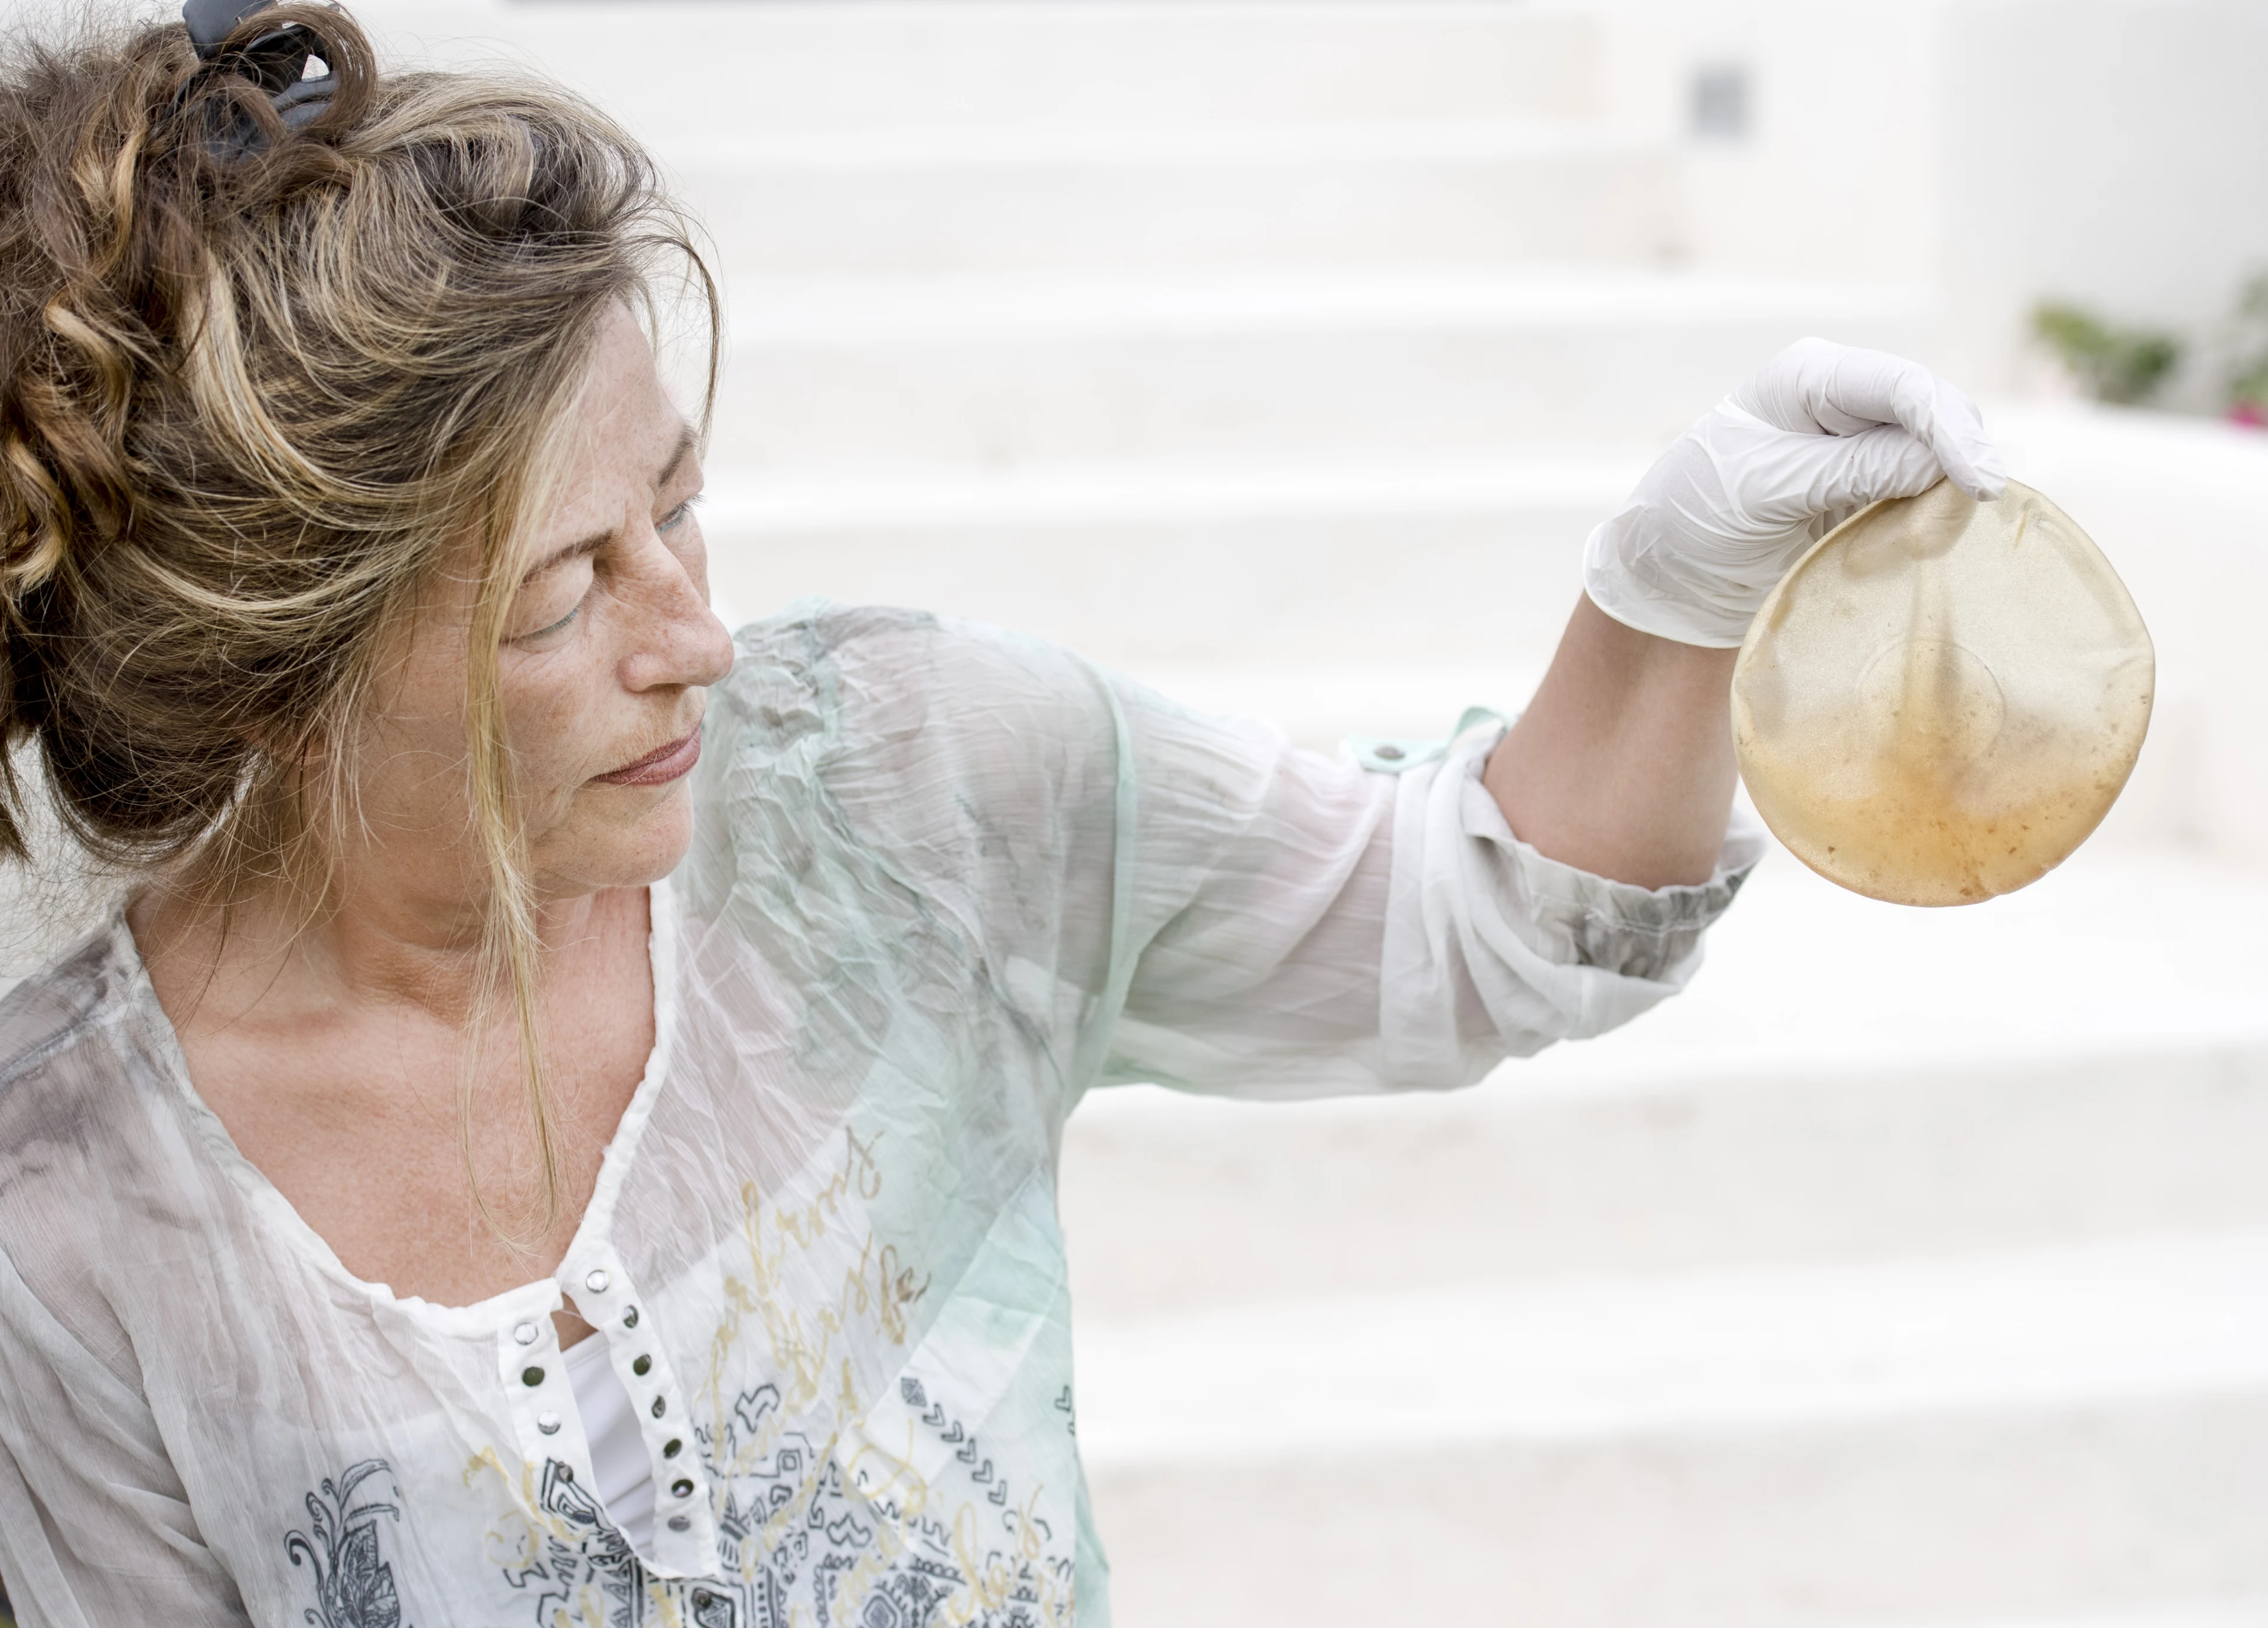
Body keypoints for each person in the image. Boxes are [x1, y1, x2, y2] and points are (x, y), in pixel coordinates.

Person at [0, 4, 2003, 1624]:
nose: (695, 634)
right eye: (559, 595)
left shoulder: (908, 786)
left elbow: (1477, 923)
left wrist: (1667, 597)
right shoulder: (73, 1234)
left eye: (678, 503)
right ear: (276, 681)